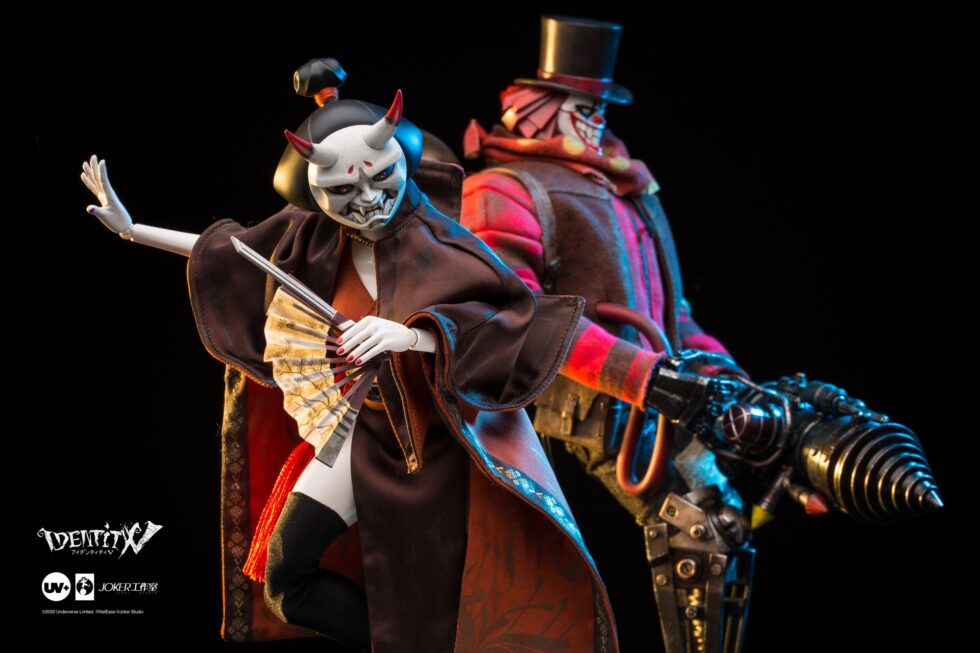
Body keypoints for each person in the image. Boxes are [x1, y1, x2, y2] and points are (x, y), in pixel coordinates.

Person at [80, 59, 620, 653]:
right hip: (356, 430)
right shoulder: (311, 236)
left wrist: (410, 335)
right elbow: (230, 252)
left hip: (429, 446)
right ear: (313, 192)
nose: (368, 200)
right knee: (287, 578)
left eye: (380, 179)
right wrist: (133, 230)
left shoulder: (441, 243)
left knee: (428, 598)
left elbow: (507, 320)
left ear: (401, 162)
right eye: (343, 190)